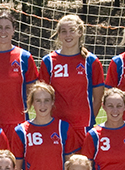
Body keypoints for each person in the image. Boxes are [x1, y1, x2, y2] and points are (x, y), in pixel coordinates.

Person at [40, 14, 105, 149]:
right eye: (64, 31)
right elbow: (42, 97)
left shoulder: (91, 61)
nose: (68, 35)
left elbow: (98, 98)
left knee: (82, 162)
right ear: (59, 34)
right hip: (56, 125)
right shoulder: (49, 61)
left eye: (72, 30)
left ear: (80, 32)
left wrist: (88, 120)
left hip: (82, 126)